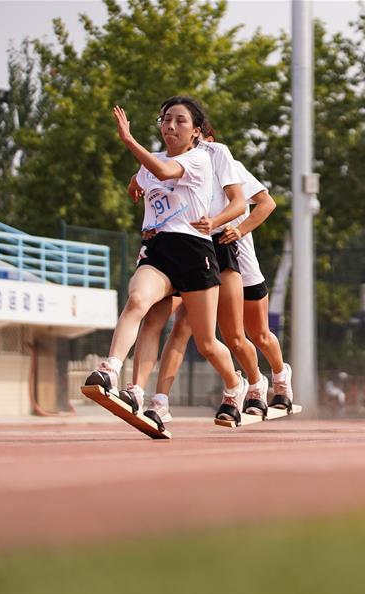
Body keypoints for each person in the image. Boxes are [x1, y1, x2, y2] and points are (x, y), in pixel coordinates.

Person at [84, 98, 248, 428]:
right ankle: (116, 373)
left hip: (195, 252)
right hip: (159, 249)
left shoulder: (200, 158)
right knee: (139, 303)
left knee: (206, 343)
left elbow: (164, 172)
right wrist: (138, 192)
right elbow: (141, 180)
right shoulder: (152, 161)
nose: (170, 126)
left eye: (179, 121)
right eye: (165, 119)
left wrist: (128, 140)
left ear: (196, 131)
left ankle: (235, 384)